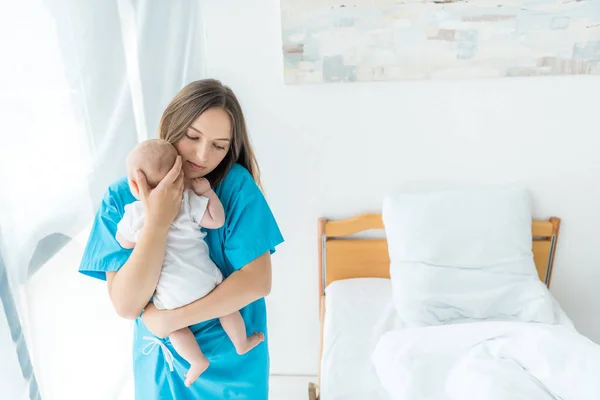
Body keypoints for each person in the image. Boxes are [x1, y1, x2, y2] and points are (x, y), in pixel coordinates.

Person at [78, 79, 284, 399]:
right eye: (193, 137)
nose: (203, 155)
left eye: (219, 145)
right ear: (171, 126)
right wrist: (157, 223)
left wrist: (170, 319)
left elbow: (257, 282)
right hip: (168, 365)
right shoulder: (122, 198)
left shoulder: (234, 188)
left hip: (233, 363)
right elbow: (127, 303)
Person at [115, 138, 265, 387]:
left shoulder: (134, 213)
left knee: (174, 330)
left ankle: (196, 361)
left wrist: (141, 231)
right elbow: (216, 221)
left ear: (134, 184)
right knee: (227, 308)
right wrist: (206, 193)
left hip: (171, 297)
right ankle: (241, 342)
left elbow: (123, 242)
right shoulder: (186, 200)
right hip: (205, 280)